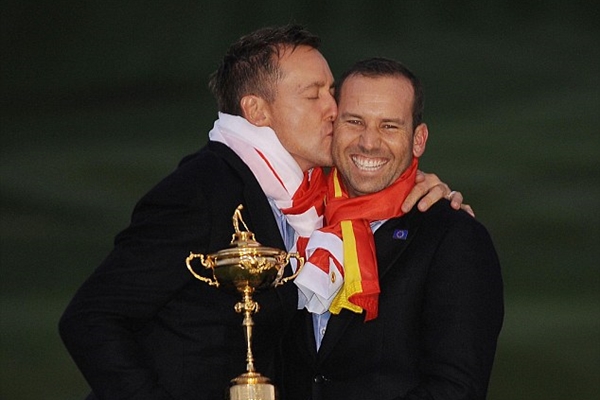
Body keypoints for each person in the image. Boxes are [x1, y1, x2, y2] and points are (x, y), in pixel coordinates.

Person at [59, 26, 465, 400]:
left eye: (331, 91)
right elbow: (90, 319)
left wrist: (419, 189)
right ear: (257, 110)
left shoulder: (306, 201)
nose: (334, 108)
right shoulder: (201, 190)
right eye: (314, 95)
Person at [283, 58, 504, 400]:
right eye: (354, 121)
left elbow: (456, 389)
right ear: (333, 126)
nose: (369, 143)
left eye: (389, 126)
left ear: (418, 140)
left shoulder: (454, 238)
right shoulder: (299, 219)